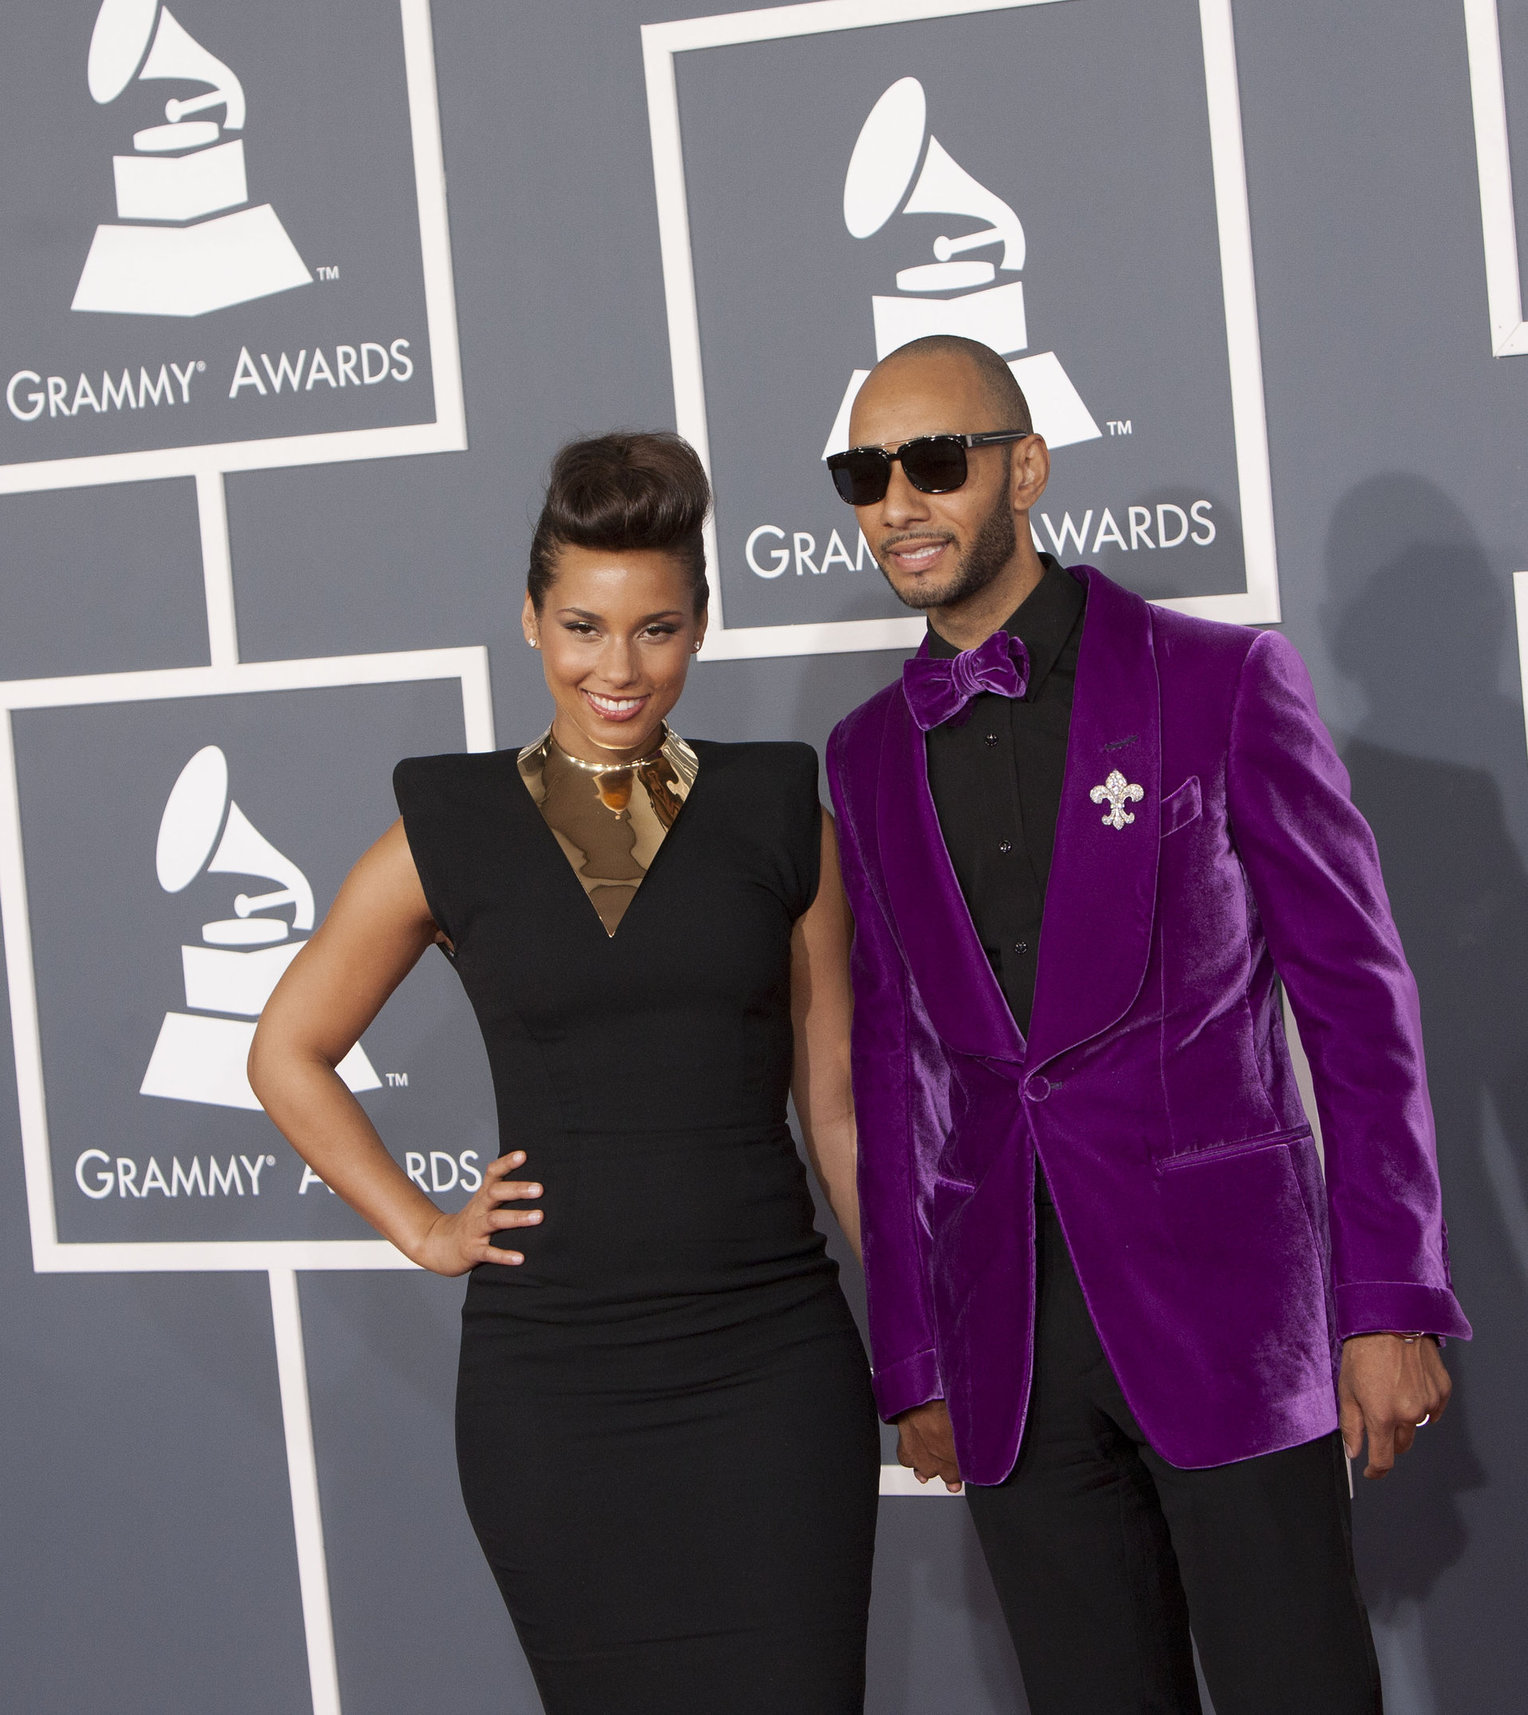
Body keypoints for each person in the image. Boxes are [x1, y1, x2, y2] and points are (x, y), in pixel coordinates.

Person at [823, 335, 1470, 1715]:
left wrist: (1391, 1295)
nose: (899, 501)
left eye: (934, 461)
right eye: (864, 473)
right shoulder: (865, 754)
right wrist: (913, 1350)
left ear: (1026, 469)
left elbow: (1359, 1003)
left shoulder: (1221, 680)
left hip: (1232, 1308)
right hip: (1006, 1336)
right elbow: (893, 1066)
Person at [249, 431, 878, 1715]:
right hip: (557, 1387)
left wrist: (920, 1348)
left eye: (655, 628)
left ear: (700, 626)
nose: (617, 666)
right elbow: (285, 1049)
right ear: (530, 618)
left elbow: (838, 1110)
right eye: (583, 625)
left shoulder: (778, 815)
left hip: (772, 1368)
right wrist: (424, 1228)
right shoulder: (453, 825)